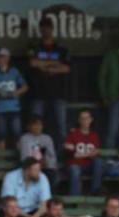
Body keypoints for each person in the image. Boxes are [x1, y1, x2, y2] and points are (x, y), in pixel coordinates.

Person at [27, 17, 71, 146]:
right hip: (38, 92)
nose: (46, 31)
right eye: (43, 28)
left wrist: (47, 67)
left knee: (61, 127)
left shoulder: (61, 48)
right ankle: (36, 154)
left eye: (48, 28)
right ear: (40, 30)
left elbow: (67, 68)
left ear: (52, 29)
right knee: (35, 126)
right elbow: (32, 63)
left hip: (58, 93)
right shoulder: (34, 46)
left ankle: (62, 154)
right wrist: (54, 63)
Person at [63, 108, 104, 196]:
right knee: (75, 170)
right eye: (82, 118)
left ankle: (95, 192)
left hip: (89, 165)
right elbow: (73, 154)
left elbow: (96, 153)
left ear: (91, 120)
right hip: (75, 164)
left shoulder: (94, 135)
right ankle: (75, 199)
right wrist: (88, 154)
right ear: (79, 120)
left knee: (99, 162)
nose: (85, 120)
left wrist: (83, 154)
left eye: (87, 118)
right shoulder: (72, 134)